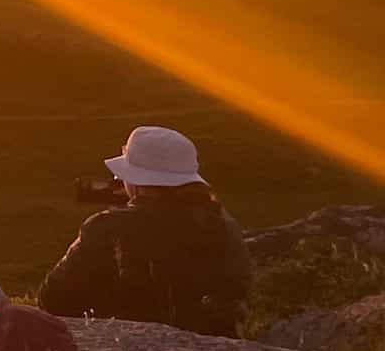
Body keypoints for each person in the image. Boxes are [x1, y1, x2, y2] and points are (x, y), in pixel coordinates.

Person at [40, 125, 251, 336]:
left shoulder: (107, 228)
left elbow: (52, 298)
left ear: (138, 180)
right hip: (216, 350)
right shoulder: (223, 223)